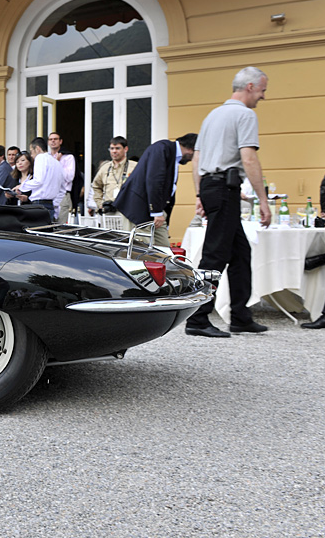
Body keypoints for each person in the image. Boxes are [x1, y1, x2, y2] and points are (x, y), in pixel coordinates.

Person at [186, 66, 272, 338]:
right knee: (215, 255)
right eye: (262, 90)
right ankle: (197, 319)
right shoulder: (245, 115)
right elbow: (248, 158)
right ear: (249, 87)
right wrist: (263, 200)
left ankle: (240, 316)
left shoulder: (213, 115)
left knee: (240, 252)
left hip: (213, 186)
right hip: (225, 188)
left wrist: (200, 194)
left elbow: (197, 160)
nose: (263, 97)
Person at [113, 133, 197, 249]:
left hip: (153, 210)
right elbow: (154, 180)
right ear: (191, 149)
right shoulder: (162, 148)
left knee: (164, 250)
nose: (193, 159)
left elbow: (167, 188)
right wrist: (157, 212)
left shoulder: (170, 153)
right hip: (139, 209)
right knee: (141, 252)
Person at [90, 136, 136, 215]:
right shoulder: (105, 168)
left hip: (128, 211)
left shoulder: (134, 167)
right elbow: (96, 186)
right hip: (110, 212)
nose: (114, 151)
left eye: (117, 148)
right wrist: (100, 204)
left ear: (126, 149)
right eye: (111, 148)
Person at [26, 137, 63, 219]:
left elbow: (38, 180)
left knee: (36, 231)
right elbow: (62, 188)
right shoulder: (56, 162)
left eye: (31, 151)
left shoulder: (40, 157)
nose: (31, 155)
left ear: (38, 149)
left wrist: (22, 186)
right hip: (50, 204)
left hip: (39, 204)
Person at [48, 132, 75, 223]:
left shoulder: (68, 157)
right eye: (51, 139)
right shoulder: (46, 158)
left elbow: (69, 177)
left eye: (55, 139)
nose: (53, 141)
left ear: (60, 141)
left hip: (62, 194)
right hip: (49, 195)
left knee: (61, 226)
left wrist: (57, 164)